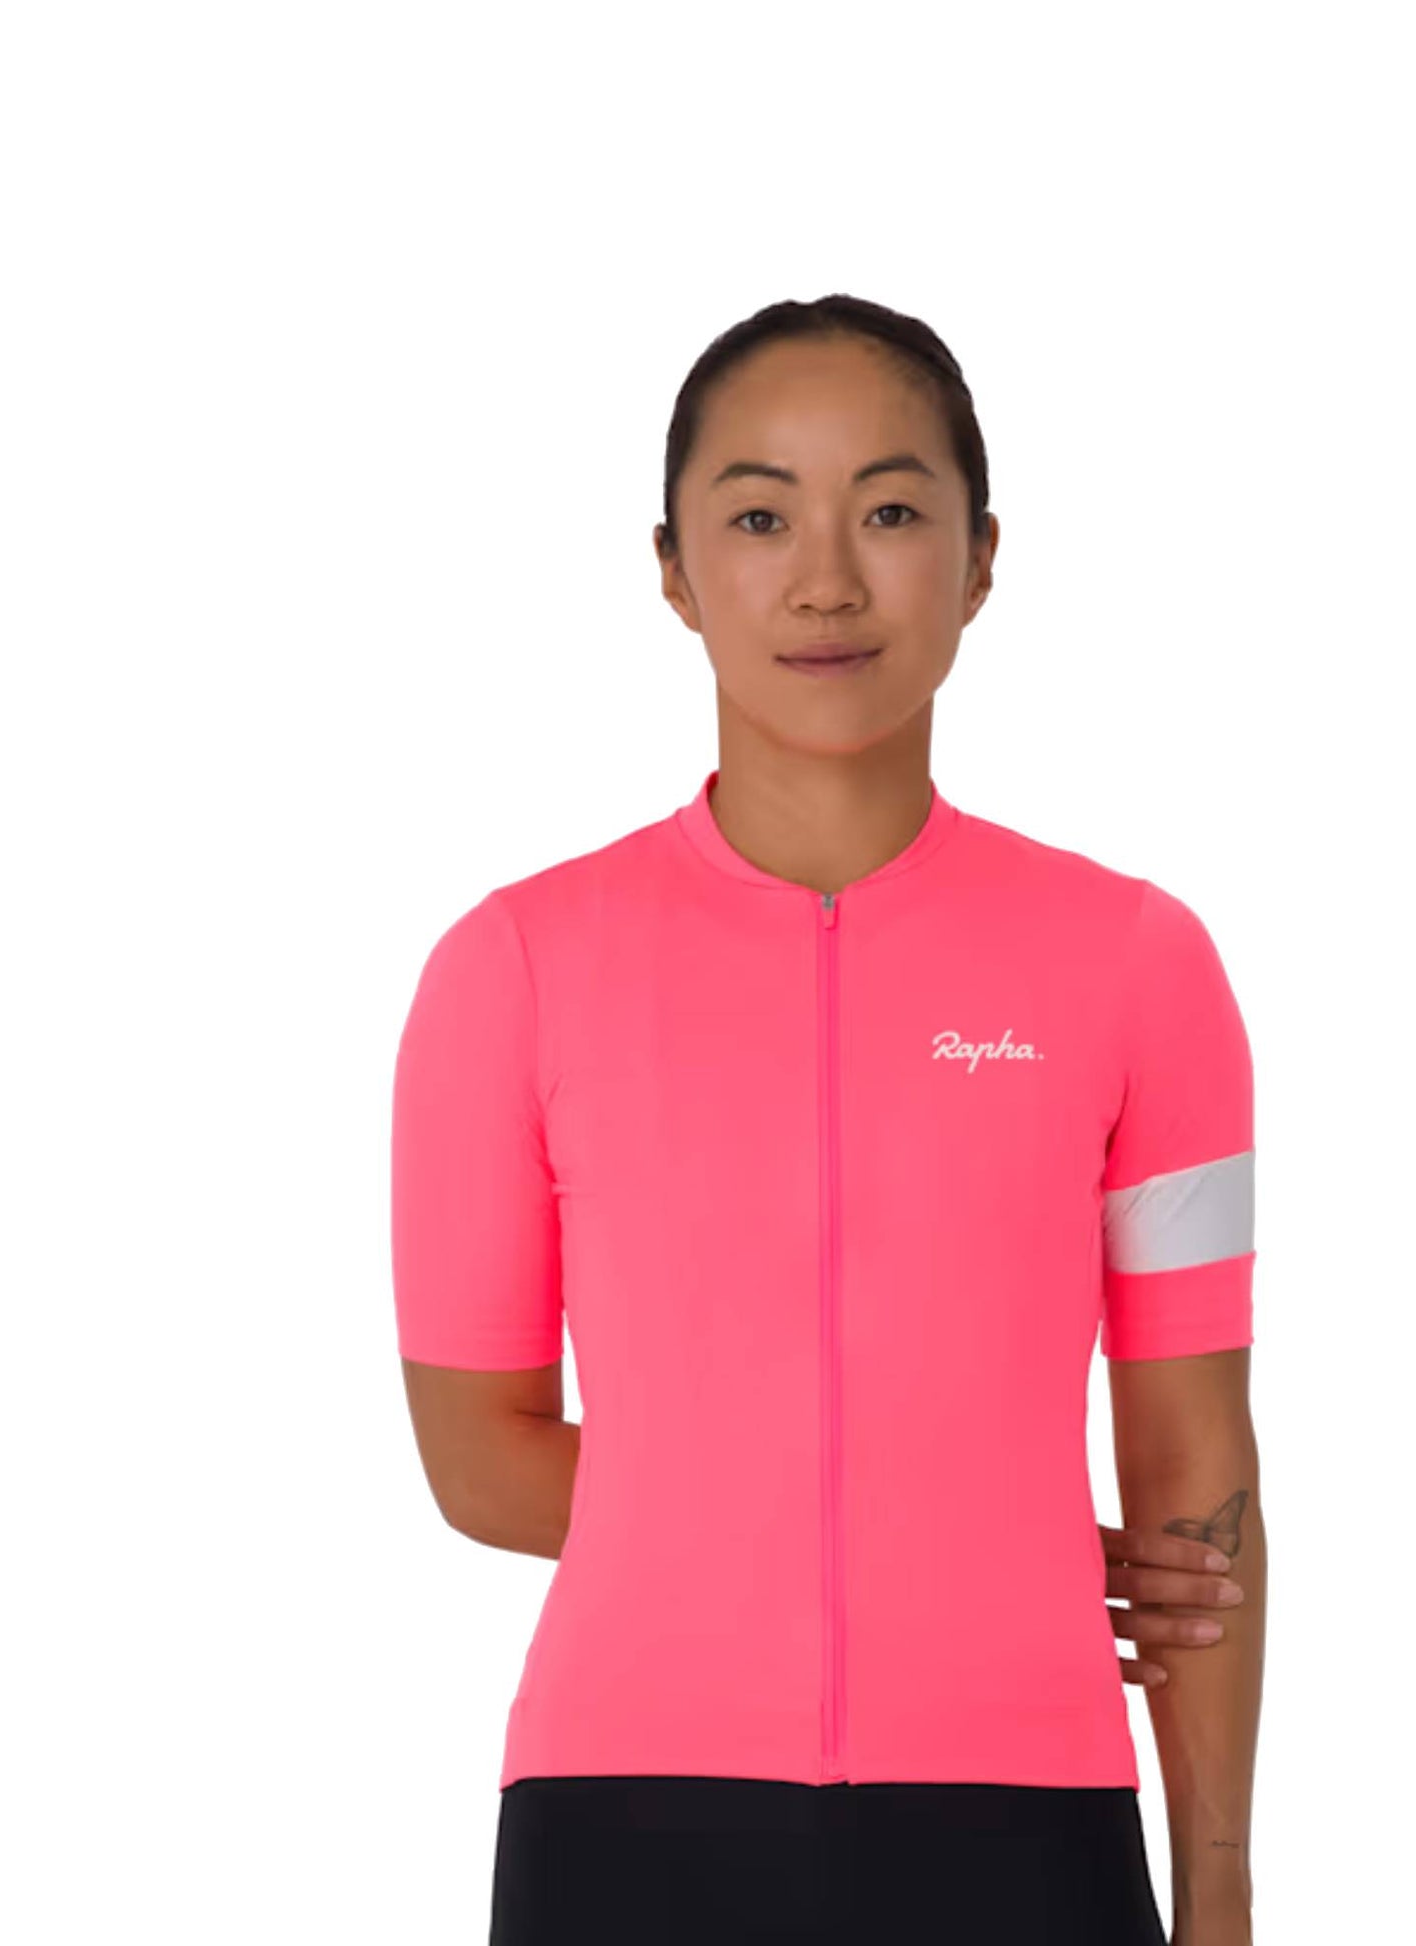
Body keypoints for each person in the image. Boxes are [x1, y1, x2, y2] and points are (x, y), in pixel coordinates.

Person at [390, 294, 1265, 1946]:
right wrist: (934, 1526)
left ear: (980, 558)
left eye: (890, 511)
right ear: (672, 570)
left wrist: (1215, 1886)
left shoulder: (1140, 965)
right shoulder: (510, 967)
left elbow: (1192, 1460)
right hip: (626, 1814)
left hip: (1028, 1815)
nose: (824, 580)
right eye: (756, 517)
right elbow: (478, 1459)